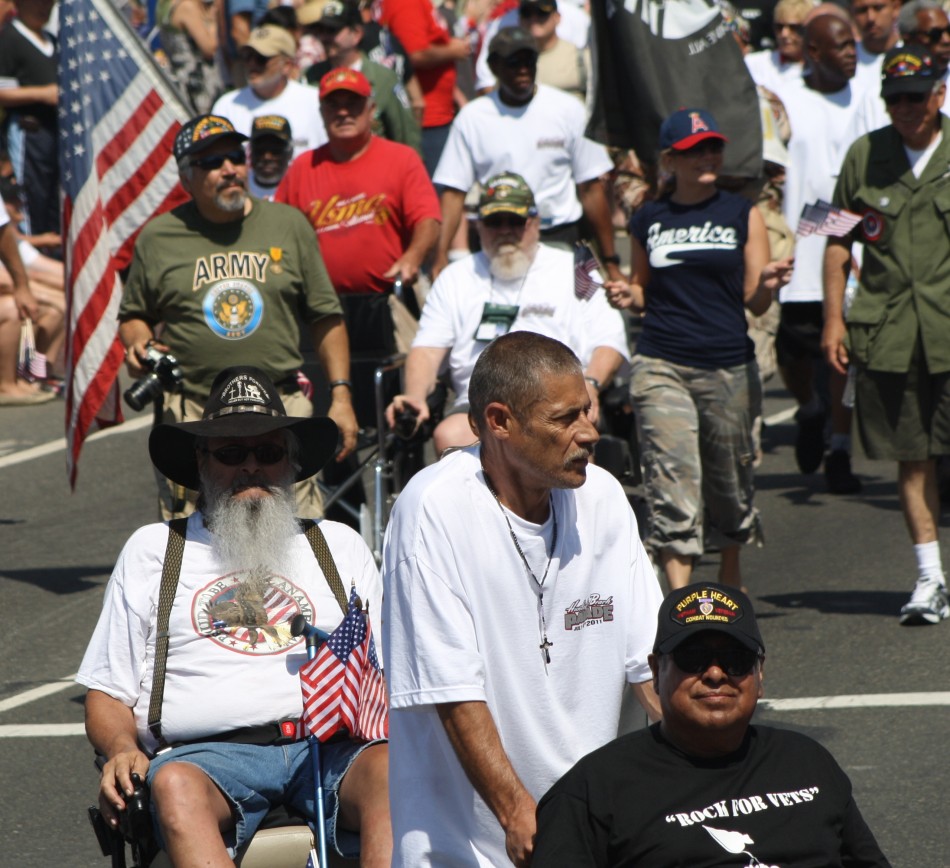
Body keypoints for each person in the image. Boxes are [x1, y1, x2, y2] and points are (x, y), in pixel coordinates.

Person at [76, 365, 392, 867]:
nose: (252, 467)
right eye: (231, 453)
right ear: (201, 461)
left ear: (289, 462)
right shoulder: (155, 550)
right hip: (206, 759)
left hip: (328, 750)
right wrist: (120, 747)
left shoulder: (338, 545)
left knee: (398, 773)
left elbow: (389, 666)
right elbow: (107, 692)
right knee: (175, 784)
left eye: (268, 452)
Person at [382, 331, 664, 868]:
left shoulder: (602, 497)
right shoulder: (433, 509)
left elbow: (649, 666)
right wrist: (518, 814)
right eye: (565, 419)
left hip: (596, 834)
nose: (589, 433)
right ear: (499, 421)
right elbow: (452, 693)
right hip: (470, 848)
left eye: (588, 410)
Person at [533, 582, 892, 867]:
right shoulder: (595, 789)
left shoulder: (808, 762)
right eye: (693, 658)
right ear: (656, 671)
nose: (716, 673)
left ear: (759, 673)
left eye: (736, 659)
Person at [118, 114, 358, 520]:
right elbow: (134, 315)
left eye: (234, 156)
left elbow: (325, 316)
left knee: (296, 539)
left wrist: (341, 395)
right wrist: (139, 343)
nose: (228, 168)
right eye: (211, 162)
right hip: (195, 414)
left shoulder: (288, 225)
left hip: (280, 411)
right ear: (186, 178)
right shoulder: (159, 237)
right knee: (195, 542)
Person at [605, 109, 793, 591]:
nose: (706, 157)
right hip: (662, 361)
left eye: (712, 147)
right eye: (693, 150)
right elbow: (644, 289)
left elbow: (753, 296)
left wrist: (770, 283)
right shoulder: (649, 217)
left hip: (727, 364)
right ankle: (684, 603)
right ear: (669, 159)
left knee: (729, 484)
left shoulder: (740, 212)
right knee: (673, 481)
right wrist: (629, 294)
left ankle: (729, 582)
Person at [823, 44, 950, 625]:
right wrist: (832, 318)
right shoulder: (862, 155)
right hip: (891, 331)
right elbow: (834, 239)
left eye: (917, 96)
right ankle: (930, 578)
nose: (907, 108)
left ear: (939, 94)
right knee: (912, 455)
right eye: (896, 98)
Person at [387, 172, 628, 455]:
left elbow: (610, 338)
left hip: (559, 398)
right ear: (478, 226)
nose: (505, 230)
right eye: (494, 222)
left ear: (535, 222)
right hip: (482, 403)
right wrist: (415, 396)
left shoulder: (574, 268)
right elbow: (427, 350)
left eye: (515, 221)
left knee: (571, 432)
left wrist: (592, 383)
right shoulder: (455, 277)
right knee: (449, 434)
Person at [432, 26, 621, 280]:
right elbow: (454, 193)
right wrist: (441, 255)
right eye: (513, 62)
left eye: (529, 60)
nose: (523, 69)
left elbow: (591, 188)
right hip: (500, 238)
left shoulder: (569, 109)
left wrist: (610, 262)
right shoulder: (472, 118)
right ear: (493, 66)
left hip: (560, 236)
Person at [276, 67, 440, 352]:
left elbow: (428, 219)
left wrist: (413, 257)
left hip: (386, 301)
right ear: (322, 112)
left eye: (352, 103)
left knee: (390, 387)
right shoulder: (303, 167)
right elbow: (279, 233)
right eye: (333, 105)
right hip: (322, 307)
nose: (343, 112)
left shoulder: (401, 159)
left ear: (371, 108)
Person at [774, 13, 862, 493]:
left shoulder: (867, 96)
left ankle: (840, 450)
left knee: (842, 356)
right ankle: (809, 409)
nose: (852, 52)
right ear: (813, 51)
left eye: (853, 44)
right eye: (841, 45)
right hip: (798, 253)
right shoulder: (785, 96)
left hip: (852, 251)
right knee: (793, 353)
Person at [303, 0, 422, 153]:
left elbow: (406, 137)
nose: (325, 37)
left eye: (333, 31)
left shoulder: (384, 78)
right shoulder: (310, 77)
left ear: (356, 34)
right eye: (321, 30)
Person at [380, 0, 472, 175]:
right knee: (438, 192)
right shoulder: (406, 3)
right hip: (426, 123)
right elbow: (415, 54)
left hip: (438, 116)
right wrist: (453, 51)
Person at [212, 24, 328, 157]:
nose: (252, 64)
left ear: (287, 65)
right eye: (248, 56)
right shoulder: (227, 106)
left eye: (261, 58)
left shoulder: (314, 101)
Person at [0, 0, 59, 238]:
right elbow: (2, 91)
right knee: (31, 195)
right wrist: (43, 94)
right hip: (29, 133)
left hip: (54, 132)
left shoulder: (52, 40)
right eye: (39, 2)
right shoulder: (10, 39)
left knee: (54, 196)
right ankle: (34, 241)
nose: (44, 7)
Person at [157, 0, 225, 114]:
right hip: (202, 84)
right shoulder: (187, 6)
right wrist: (214, 18)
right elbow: (210, 48)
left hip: (182, 81)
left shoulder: (163, 5)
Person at [744, 0, 815, 93]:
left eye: (794, 28)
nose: (784, 34)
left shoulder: (824, 71)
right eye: (779, 27)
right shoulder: (754, 64)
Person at [850, 0, 901, 94]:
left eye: (878, 8)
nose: (871, 18)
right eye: (862, 10)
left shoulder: (914, 58)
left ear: (895, 8)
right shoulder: (845, 62)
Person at [247, 114, 294, 199]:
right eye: (260, 149)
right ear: (250, 152)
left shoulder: (299, 186)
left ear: (290, 153)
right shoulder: (240, 186)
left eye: (275, 150)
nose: (267, 157)